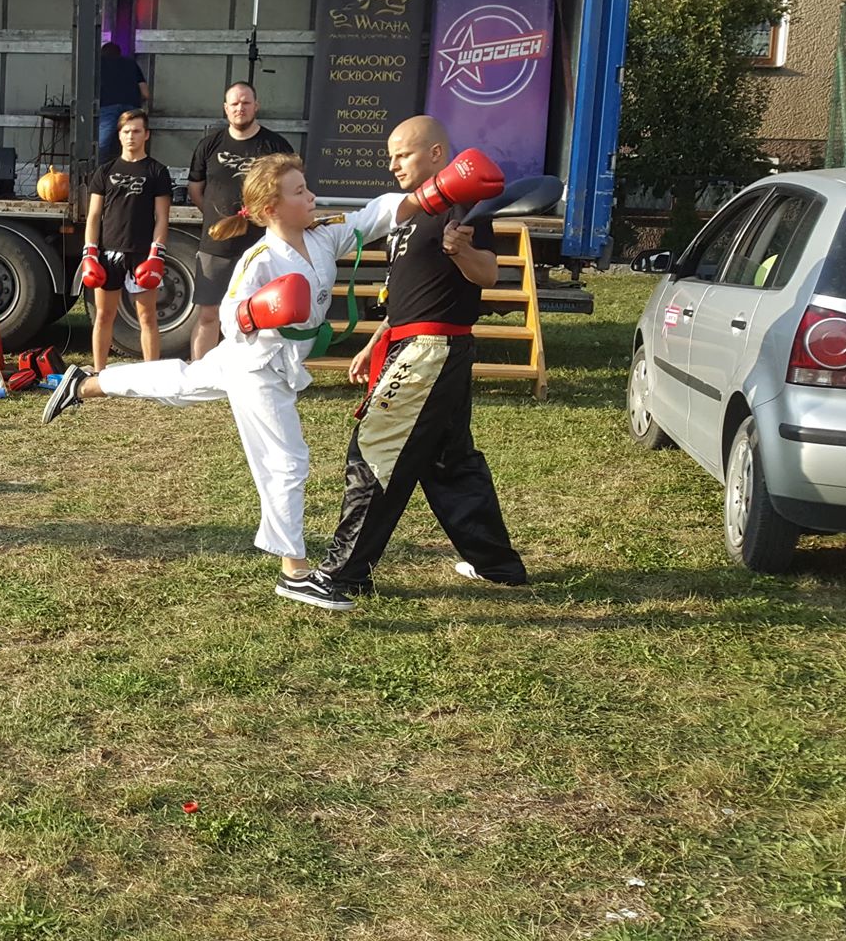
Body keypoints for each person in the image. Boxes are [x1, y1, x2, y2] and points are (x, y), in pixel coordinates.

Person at [44, 152, 418, 577]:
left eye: (307, 188)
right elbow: (229, 317)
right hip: (256, 365)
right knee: (286, 461)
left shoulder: (323, 237)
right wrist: (258, 311)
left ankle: (89, 383)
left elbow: (375, 216)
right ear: (272, 209)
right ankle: (294, 570)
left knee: (182, 382)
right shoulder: (260, 258)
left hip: (269, 360)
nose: (312, 197)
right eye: (300, 192)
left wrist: (433, 193)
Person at [280, 116, 527, 611]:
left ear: (436, 154)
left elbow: (488, 273)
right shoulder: (410, 209)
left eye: (403, 154)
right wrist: (377, 341)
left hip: (431, 349)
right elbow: (412, 289)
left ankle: (342, 577)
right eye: (390, 156)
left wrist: (461, 251)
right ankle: (496, 565)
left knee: (375, 450)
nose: (393, 164)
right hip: (413, 344)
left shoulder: (462, 200)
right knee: (449, 461)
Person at [188, 82, 295, 360]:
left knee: (259, 315)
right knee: (208, 314)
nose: (240, 108)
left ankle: (254, 371)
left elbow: (290, 190)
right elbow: (196, 190)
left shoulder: (276, 146)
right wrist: (219, 218)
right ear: (226, 108)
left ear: (256, 106)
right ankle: (201, 373)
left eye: (246, 102)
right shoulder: (209, 145)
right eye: (234, 103)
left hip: (261, 246)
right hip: (216, 246)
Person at [79, 109, 173, 369]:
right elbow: (94, 215)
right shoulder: (105, 171)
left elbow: (162, 217)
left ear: (146, 135)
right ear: (119, 135)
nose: (131, 136)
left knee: (147, 316)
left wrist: (157, 253)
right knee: (103, 315)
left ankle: (151, 375)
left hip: (142, 253)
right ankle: (99, 373)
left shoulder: (157, 171)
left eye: (137, 131)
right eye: (126, 131)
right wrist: (90, 252)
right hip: (108, 253)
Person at [95, 41, 149, 160]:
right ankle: (133, 166)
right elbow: (145, 93)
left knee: (102, 144)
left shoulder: (98, 64)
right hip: (131, 107)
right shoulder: (131, 63)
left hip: (107, 105)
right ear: (120, 53)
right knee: (133, 139)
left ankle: (98, 168)